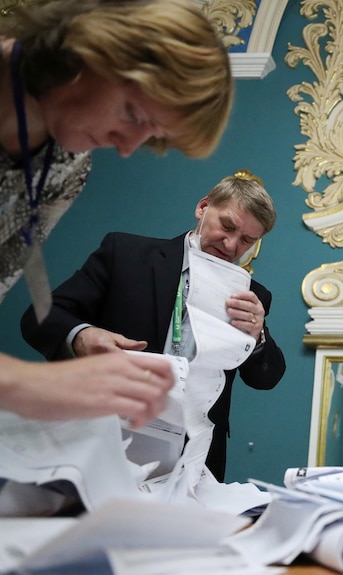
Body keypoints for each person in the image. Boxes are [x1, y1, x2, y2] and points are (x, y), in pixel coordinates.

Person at [0, 0, 233, 425]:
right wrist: (26, 384)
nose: (126, 148)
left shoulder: (67, 166)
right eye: (133, 114)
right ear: (94, 49)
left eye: (151, 134)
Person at [21, 172, 286, 482]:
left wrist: (257, 337)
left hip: (195, 453)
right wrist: (83, 335)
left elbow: (267, 377)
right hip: (105, 430)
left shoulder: (253, 295)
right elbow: (39, 315)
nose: (231, 245)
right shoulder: (125, 252)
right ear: (203, 207)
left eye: (247, 240)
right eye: (227, 226)